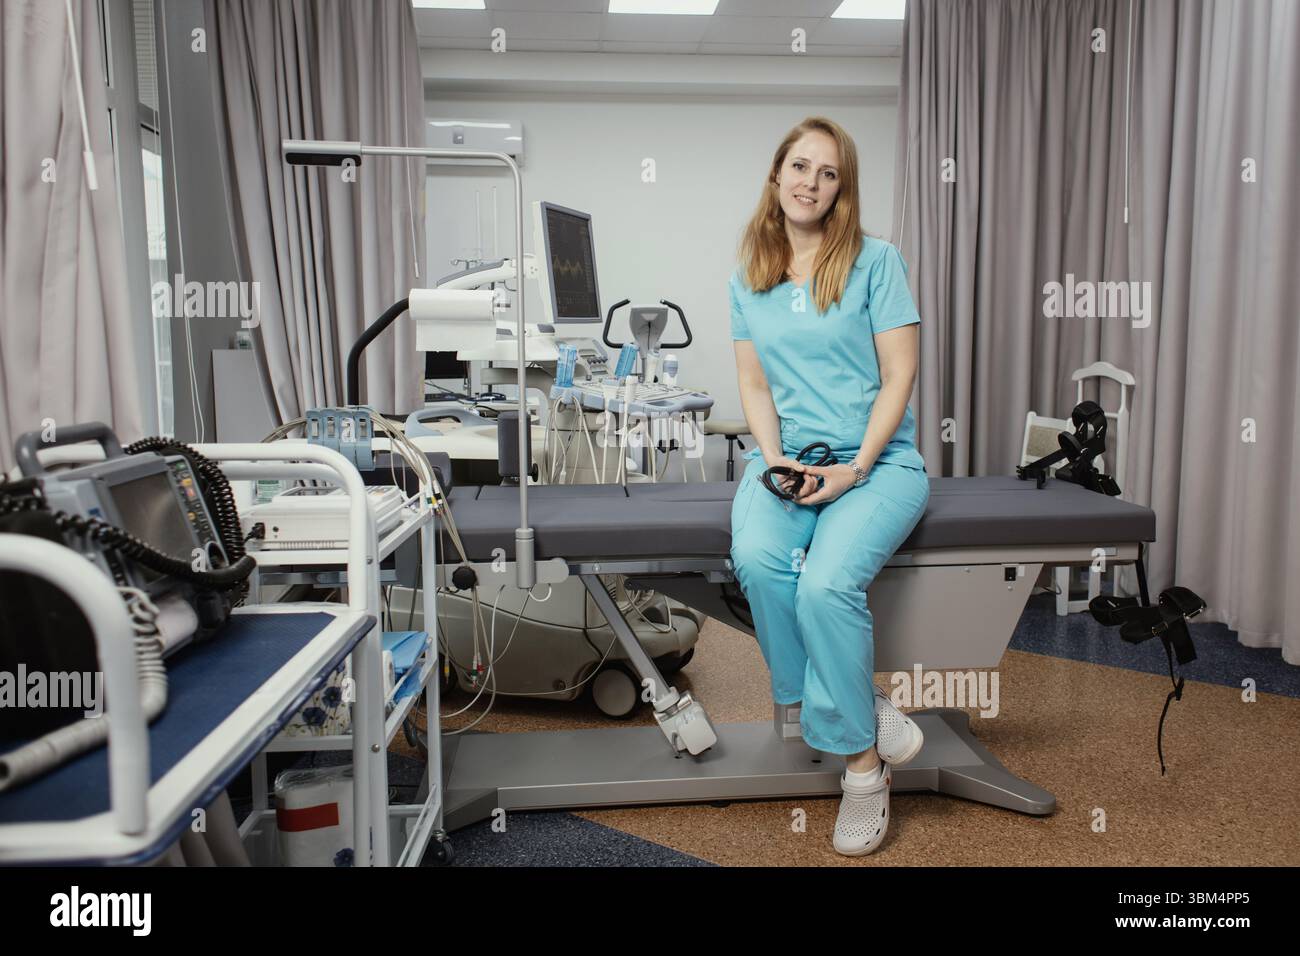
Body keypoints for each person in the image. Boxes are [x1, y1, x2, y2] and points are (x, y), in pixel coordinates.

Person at [729, 116, 930, 856]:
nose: (810, 182)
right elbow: (753, 383)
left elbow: (900, 376)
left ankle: (863, 771)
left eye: (829, 172)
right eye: (800, 166)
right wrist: (774, 460)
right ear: (776, 173)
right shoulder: (749, 271)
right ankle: (864, 705)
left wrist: (853, 468)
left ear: (842, 188)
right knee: (757, 559)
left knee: (823, 589)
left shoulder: (876, 262)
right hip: (789, 460)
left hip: (874, 464)